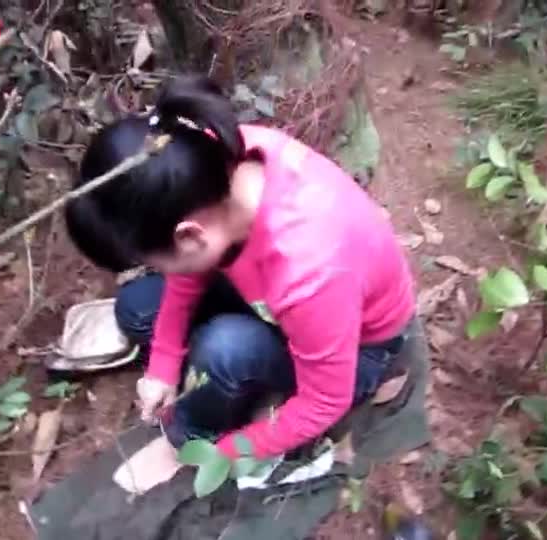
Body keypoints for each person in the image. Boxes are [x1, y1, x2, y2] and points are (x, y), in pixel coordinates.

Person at [64, 75, 419, 481]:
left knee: (223, 350)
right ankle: (226, 377)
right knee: (137, 308)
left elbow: (324, 402)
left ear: (189, 236)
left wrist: (220, 454)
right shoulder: (209, 160)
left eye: (157, 262)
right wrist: (163, 364)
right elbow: (189, 268)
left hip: (359, 349)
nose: (162, 271)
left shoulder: (310, 270)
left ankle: (191, 432)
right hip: (280, 295)